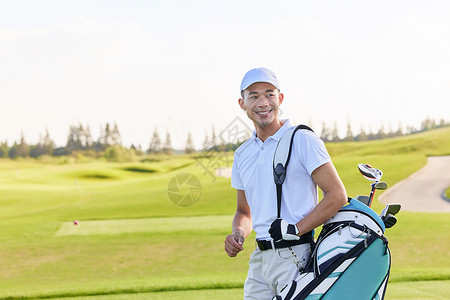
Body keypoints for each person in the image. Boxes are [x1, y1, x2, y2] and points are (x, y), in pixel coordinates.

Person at [224, 67, 348, 299]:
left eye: (269, 94)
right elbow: (244, 211)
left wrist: (296, 229)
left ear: (280, 99)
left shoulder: (302, 139)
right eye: (254, 96)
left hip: (296, 254)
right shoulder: (242, 154)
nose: (263, 102)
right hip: (260, 260)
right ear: (242, 103)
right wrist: (238, 234)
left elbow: (336, 195)